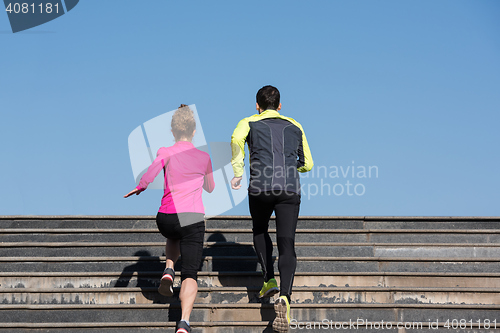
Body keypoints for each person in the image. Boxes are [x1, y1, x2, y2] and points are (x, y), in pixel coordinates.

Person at [124, 104, 215, 333]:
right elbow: (210, 188)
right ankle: (184, 322)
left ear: (173, 132)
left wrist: (140, 187)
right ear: (194, 132)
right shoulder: (204, 157)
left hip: (166, 217)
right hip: (192, 218)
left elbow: (151, 173)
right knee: (191, 274)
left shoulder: (165, 151)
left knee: (174, 232)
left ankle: (169, 268)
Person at [230, 86, 313, 333]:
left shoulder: (248, 122)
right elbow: (307, 163)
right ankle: (285, 297)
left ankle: (268, 279)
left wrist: (238, 172)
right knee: (287, 243)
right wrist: (290, 168)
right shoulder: (295, 125)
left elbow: (235, 140)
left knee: (260, 229)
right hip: (288, 189)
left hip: (260, 187)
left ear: (257, 105)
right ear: (279, 106)